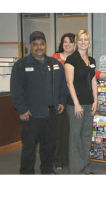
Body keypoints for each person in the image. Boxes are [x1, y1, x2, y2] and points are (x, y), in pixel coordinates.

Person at [10, 31, 68, 174]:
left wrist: (61, 101)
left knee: (49, 147)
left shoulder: (54, 64)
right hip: (31, 115)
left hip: (51, 114)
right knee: (29, 148)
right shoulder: (21, 65)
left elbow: (62, 85)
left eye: (41, 44)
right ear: (30, 46)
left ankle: (47, 171)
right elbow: (16, 89)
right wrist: (22, 109)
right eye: (35, 44)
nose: (39, 47)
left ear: (45, 45)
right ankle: (26, 173)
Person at [64, 30, 98, 174]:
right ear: (77, 42)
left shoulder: (92, 60)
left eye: (86, 39)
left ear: (89, 42)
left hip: (89, 103)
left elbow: (93, 80)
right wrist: (76, 103)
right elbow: (69, 83)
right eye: (81, 40)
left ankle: (86, 166)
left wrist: (96, 100)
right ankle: (76, 169)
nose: (83, 42)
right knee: (75, 137)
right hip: (75, 105)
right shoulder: (71, 59)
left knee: (86, 136)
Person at [51, 33, 75, 171]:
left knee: (70, 131)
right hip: (58, 99)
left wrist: (103, 75)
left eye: (70, 42)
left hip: (73, 98)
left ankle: (67, 158)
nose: (67, 44)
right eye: (65, 41)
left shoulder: (76, 58)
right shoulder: (54, 58)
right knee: (58, 131)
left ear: (74, 44)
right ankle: (58, 160)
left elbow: (91, 71)